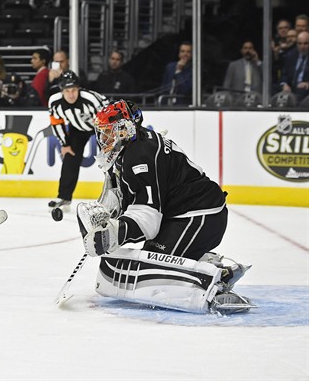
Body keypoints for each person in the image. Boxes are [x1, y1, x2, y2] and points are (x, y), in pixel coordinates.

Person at [75, 100, 253, 314]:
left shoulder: (139, 154)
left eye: (109, 132)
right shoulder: (129, 150)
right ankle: (211, 267)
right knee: (149, 261)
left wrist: (114, 233)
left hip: (199, 215)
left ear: (125, 130)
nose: (104, 139)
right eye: (102, 133)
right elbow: (125, 198)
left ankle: (215, 291)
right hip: (183, 215)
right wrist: (107, 219)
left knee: (151, 274)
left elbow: (148, 217)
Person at [47, 71, 109, 211]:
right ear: (61, 90)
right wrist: (65, 144)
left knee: (111, 160)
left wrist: (109, 143)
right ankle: (64, 197)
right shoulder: (54, 101)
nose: (71, 94)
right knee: (70, 158)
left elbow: (108, 120)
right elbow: (56, 123)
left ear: (79, 88)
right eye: (67, 91)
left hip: (102, 129)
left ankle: (118, 195)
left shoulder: (91, 99)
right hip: (78, 129)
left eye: (74, 90)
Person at [280, 31, 309, 101]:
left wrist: (308, 84)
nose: (302, 46)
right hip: (291, 91)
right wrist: (284, 84)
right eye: (300, 44)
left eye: (306, 43)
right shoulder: (291, 56)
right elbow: (284, 74)